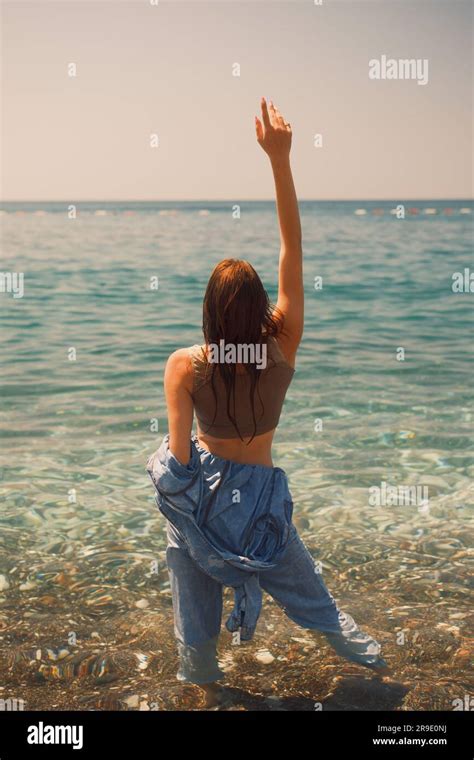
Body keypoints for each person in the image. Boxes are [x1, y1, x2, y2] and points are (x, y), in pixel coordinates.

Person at [159, 98, 389, 709]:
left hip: (205, 515)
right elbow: (294, 250)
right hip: (262, 511)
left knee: (193, 615)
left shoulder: (186, 365)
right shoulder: (282, 342)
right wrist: (281, 160)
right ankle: (384, 674)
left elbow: (180, 464)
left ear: (209, 312)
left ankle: (205, 689)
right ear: (261, 307)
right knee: (319, 606)